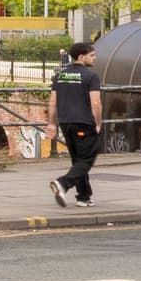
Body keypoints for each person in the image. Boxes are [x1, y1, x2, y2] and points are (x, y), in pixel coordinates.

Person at [49, 37, 102, 206]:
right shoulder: (91, 76)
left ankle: (84, 197)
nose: (95, 58)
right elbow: (96, 102)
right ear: (81, 57)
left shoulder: (60, 75)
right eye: (92, 55)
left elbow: (52, 101)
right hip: (84, 122)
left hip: (65, 122)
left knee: (78, 160)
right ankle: (63, 183)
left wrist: (52, 123)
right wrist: (98, 122)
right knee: (87, 158)